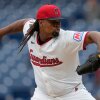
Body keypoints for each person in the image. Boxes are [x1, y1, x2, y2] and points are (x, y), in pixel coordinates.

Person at [0, 4, 100, 100]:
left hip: (72, 94)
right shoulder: (31, 30)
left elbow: (94, 35)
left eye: (58, 22)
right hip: (43, 95)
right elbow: (23, 23)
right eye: (53, 22)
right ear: (41, 22)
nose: (57, 25)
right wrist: (2, 32)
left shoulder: (66, 38)